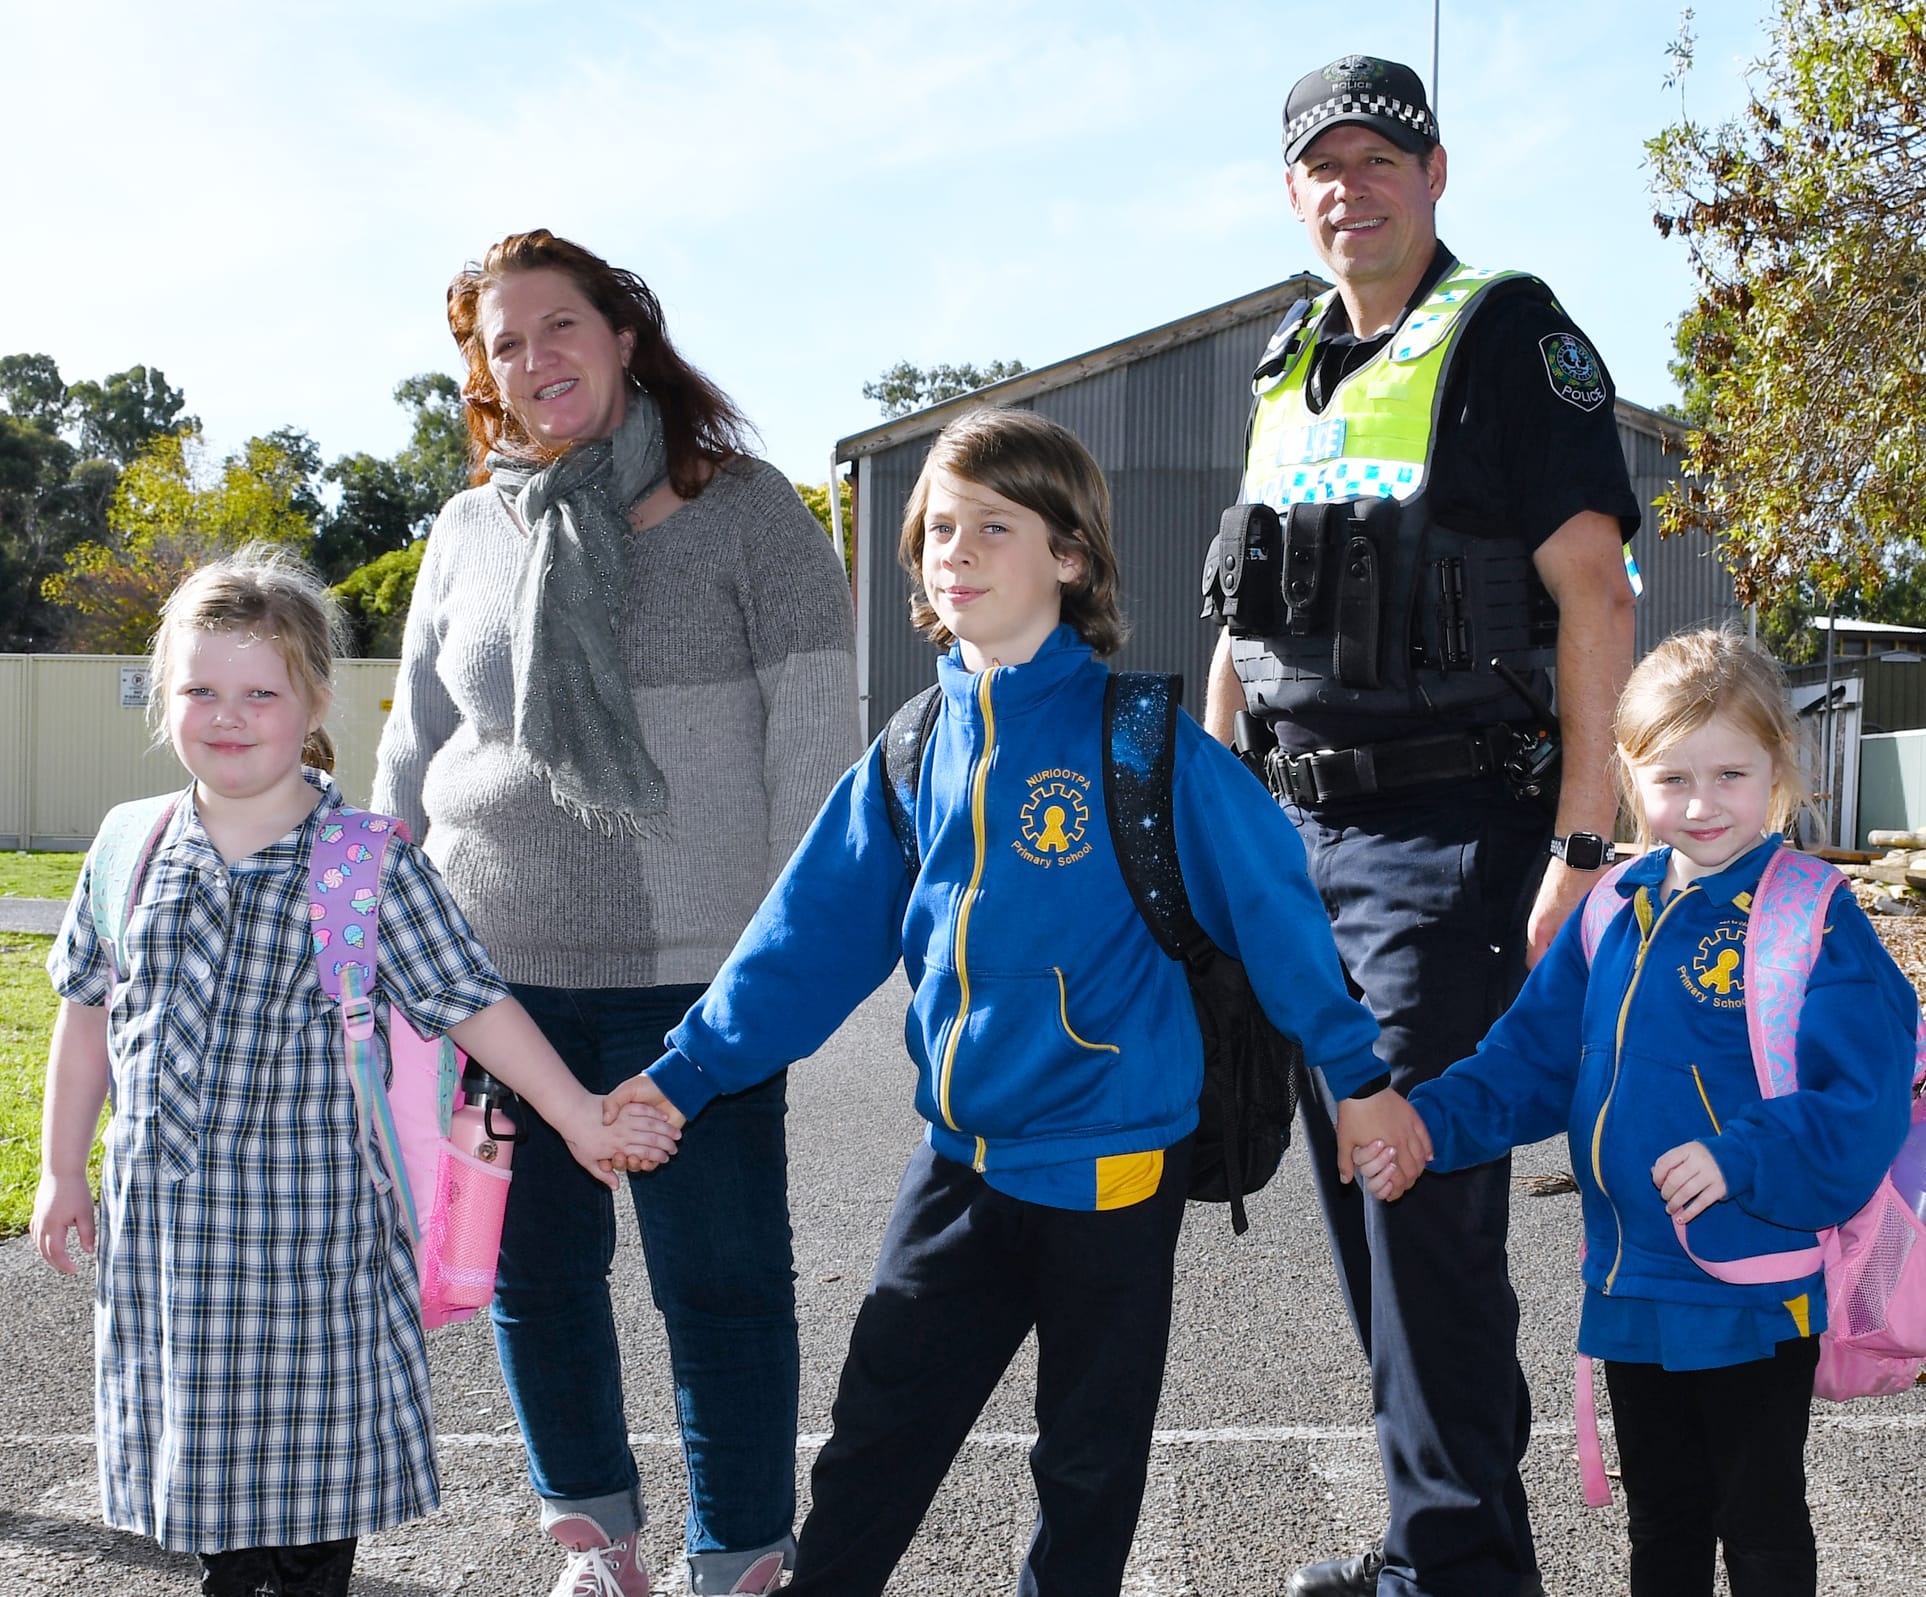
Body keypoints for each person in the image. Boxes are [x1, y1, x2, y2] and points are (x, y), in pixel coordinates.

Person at [602, 408, 1417, 1597]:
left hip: (1113, 1176)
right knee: (873, 1446)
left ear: (1070, 557)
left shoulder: (1143, 742)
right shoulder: (915, 745)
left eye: (995, 524)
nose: (958, 550)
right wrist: (681, 1072)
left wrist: (1358, 1082)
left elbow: (1279, 918)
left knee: (1086, 1477)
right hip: (960, 1168)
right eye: (939, 527)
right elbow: (804, 942)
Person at [1201, 54, 1643, 1597]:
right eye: (1323, 162)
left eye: (1382, 155)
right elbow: (1242, 633)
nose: (1353, 183)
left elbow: (1600, 593)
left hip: (1453, 837)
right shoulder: (1285, 367)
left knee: (1419, 1207)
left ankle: (1459, 1567)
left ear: (1435, 171)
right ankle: (1432, 1541)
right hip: (1294, 845)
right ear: (1293, 192)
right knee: (1358, 1206)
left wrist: (1582, 845)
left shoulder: (1508, 334)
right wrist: (1209, 826)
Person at [30, 547, 678, 1597]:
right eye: (200, 688)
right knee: (213, 1513)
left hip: (314, 1258)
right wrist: (63, 1169)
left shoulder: (360, 859)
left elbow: (473, 1001)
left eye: (259, 691)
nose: (227, 715)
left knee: (310, 1517)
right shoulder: (128, 848)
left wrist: (577, 1114)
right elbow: (87, 1012)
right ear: (164, 698)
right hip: (171, 1260)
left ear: (314, 702)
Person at [371, 230, 860, 1597]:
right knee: (536, 1280)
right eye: (503, 343)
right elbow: (412, 747)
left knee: (722, 1287)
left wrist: (781, 967)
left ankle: (746, 1553)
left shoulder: (750, 511)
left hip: (691, 986)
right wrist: (374, 930)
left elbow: (817, 752)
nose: (534, 360)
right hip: (490, 984)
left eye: (558, 327)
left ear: (625, 335)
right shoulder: (470, 528)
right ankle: (595, 1538)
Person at [1356, 626, 1915, 1597]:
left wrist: (1742, 1155)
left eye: (1729, 774)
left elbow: (1859, 1106)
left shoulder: (1808, 914)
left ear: (1778, 769)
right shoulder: (1612, 905)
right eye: (1670, 779)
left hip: (1752, 1282)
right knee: (1662, 1519)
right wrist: (1426, 1124)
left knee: (1759, 1520)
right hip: (1629, 1284)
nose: (1700, 806)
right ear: (1626, 776)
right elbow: (1524, 1061)